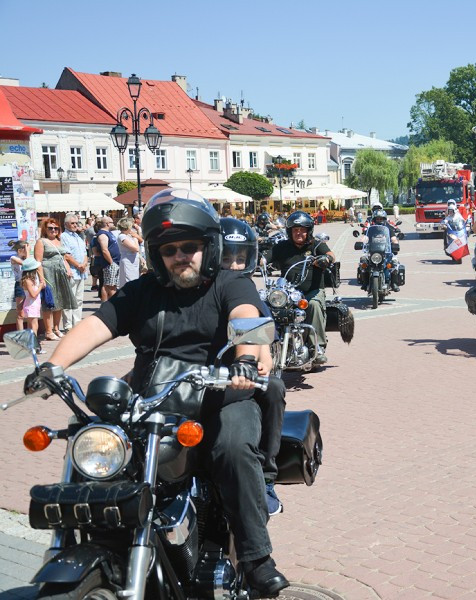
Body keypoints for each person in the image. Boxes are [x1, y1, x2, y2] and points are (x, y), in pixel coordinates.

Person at [35, 190, 288, 595]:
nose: (181, 255)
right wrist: (52, 365)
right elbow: (96, 324)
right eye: (170, 249)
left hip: (221, 394)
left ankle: (256, 557)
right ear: (157, 254)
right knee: (101, 449)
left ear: (209, 246)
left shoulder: (230, 282)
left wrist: (243, 360)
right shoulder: (142, 291)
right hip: (155, 399)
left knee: (234, 449)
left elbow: (247, 315)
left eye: (190, 247)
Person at [221, 217, 287, 515]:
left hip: (240, 376)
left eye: (240, 258)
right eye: (226, 257)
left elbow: (260, 338)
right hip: (202, 376)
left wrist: (260, 362)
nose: (234, 264)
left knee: (273, 388)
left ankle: (267, 476)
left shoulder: (246, 293)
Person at [271, 210, 334, 365]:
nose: (299, 233)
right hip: (290, 292)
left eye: (302, 230)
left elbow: (331, 254)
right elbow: (265, 258)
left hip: (312, 291)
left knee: (313, 305)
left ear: (308, 231)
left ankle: (317, 347)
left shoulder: (316, 244)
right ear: (290, 231)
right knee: (271, 305)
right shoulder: (282, 246)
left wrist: (325, 259)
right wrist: (255, 260)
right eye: (295, 230)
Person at [34, 218, 77, 341]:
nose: (53, 230)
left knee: (60, 300)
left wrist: (68, 269)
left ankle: (57, 328)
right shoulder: (41, 241)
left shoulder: (59, 240)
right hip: (48, 273)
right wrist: (42, 279)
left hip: (60, 273)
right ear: (45, 229)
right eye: (50, 228)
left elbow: (63, 257)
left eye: (56, 228)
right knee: (49, 302)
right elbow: (38, 262)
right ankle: (48, 331)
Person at [60, 214, 88, 331]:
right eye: (72, 223)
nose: (75, 225)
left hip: (81, 272)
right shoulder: (64, 236)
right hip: (71, 271)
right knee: (69, 300)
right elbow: (66, 255)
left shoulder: (78, 236)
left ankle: (77, 323)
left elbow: (85, 253)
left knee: (79, 299)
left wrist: (84, 264)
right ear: (66, 224)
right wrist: (78, 265)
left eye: (76, 223)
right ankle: (68, 325)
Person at [92, 215, 121, 301]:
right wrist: (111, 263)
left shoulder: (108, 233)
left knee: (112, 285)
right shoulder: (102, 234)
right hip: (109, 264)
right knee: (108, 285)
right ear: (107, 224)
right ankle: (108, 305)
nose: (114, 223)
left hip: (114, 262)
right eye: (112, 222)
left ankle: (112, 305)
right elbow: (104, 250)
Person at [20, 258, 43, 342]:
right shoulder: (28, 281)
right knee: (34, 326)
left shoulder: (29, 280)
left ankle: (31, 344)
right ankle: (35, 346)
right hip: (31, 305)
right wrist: (40, 286)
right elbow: (33, 295)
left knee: (31, 326)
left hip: (32, 304)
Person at [116, 217, 143, 287]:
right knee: (128, 281)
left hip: (134, 261)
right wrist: (135, 238)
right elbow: (135, 248)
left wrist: (136, 235)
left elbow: (141, 240)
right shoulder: (122, 236)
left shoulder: (129, 235)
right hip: (128, 261)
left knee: (135, 281)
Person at [9, 240, 28, 330]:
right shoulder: (14, 258)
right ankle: (20, 336)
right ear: (20, 250)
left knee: (30, 312)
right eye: (26, 248)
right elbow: (26, 264)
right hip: (20, 285)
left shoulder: (26, 258)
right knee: (21, 313)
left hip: (29, 286)